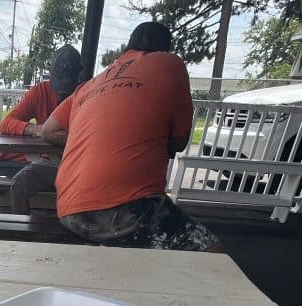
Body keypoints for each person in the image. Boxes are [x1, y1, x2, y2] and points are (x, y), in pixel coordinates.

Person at [40, 22, 220, 251]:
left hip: (69, 210)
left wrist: (89, 138)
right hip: (125, 210)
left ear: (128, 48)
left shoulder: (90, 85)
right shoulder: (169, 63)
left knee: (155, 224)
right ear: (164, 49)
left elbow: (48, 131)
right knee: (213, 253)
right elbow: (179, 141)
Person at [0, 45, 82, 214]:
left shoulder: (88, 91)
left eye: (69, 81)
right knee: (19, 184)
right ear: (50, 74)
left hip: (80, 163)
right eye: (59, 81)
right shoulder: (39, 91)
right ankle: (21, 236)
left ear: (78, 76)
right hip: (49, 162)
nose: (62, 93)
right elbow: (6, 123)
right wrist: (36, 129)